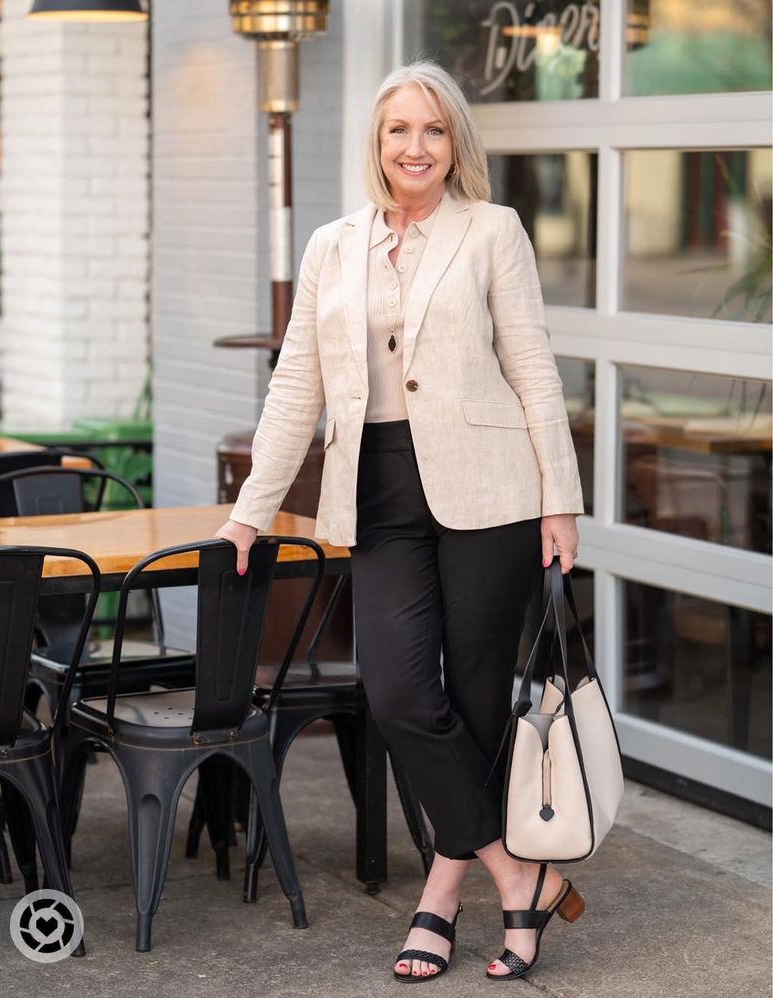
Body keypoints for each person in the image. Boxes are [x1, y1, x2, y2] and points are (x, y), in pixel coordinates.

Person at [216, 60, 585, 984]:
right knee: (397, 693)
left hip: (490, 489)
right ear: (376, 144)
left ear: (454, 142)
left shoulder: (492, 230)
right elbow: (295, 386)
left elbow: (533, 366)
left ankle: (441, 894)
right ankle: (520, 873)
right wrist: (247, 515)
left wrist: (561, 499)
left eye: (432, 129)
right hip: (377, 489)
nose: (415, 147)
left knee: (475, 699)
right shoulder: (332, 246)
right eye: (398, 130)